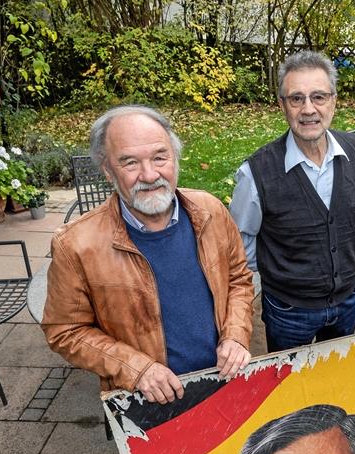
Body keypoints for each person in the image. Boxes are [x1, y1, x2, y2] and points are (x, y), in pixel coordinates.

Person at [43, 105, 253, 403]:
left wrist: (235, 333)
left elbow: (239, 280)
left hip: (225, 379)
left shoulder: (211, 210)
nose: (149, 174)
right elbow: (64, 330)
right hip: (149, 399)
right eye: (129, 163)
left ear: (175, 157)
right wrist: (135, 369)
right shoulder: (76, 244)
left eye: (160, 157)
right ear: (107, 170)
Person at [229, 50, 355, 352]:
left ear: (334, 101)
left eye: (318, 97)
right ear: (283, 106)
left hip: (348, 299)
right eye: (297, 99)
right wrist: (284, 272)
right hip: (289, 310)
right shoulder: (256, 173)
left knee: (335, 375)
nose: (308, 109)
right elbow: (239, 245)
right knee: (288, 388)